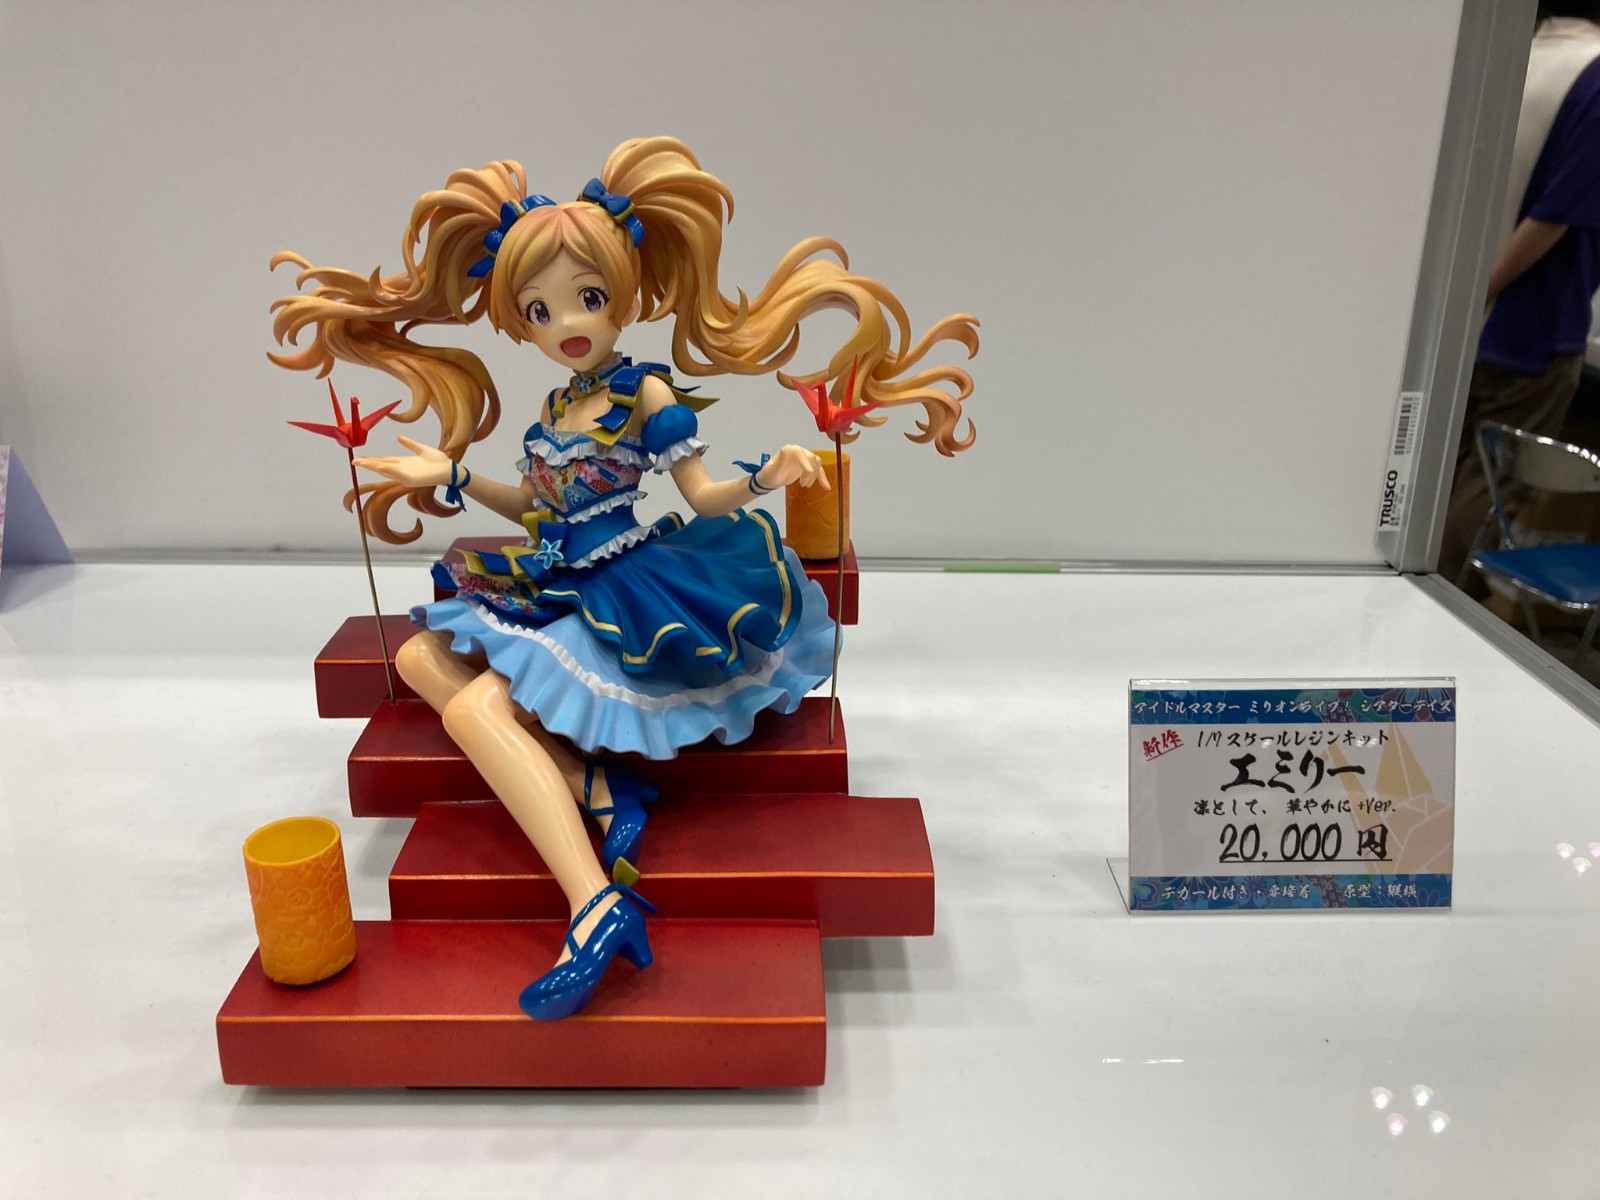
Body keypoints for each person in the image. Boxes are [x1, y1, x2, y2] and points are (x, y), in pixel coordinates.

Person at [269, 137, 978, 1019]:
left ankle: (595, 904)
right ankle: (601, 790)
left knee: (482, 708)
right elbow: (533, 503)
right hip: (559, 570)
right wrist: (451, 475)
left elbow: (702, 494)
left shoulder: (646, 392)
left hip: (626, 585)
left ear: (626, 295)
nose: (566, 321)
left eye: (589, 297)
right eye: (539, 308)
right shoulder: (555, 407)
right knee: (417, 657)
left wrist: (768, 475)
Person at [1442, 3, 1600, 587]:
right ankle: (1440, 609)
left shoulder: (1517, 59)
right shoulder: (1595, 75)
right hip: (1531, 328)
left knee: (1437, 477)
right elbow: (1554, 216)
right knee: (1488, 489)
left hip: (1459, 322)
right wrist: (1484, 293)